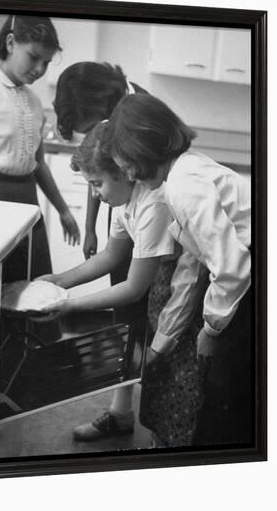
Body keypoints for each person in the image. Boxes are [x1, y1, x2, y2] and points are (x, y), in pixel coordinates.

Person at [106, 93, 252, 446]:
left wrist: (212, 329)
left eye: (123, 160)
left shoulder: (184, 184)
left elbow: (231, 267)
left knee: (229, 392)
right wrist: (167, 337)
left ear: (143, 145)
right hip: (244, 274)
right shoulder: (184, 171)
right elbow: (194, 260)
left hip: (250, 277)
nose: (124, 172)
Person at [38, 122, 176, 441]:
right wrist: (60, 281)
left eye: (96, 183)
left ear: (125, 172)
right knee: (149, 358)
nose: (94, 194)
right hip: (164, 282)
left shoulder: (153, 203)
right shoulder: (123, 199)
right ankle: (127, 420)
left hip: (199, 285)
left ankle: (168, 448)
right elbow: (111, 256)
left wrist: (67, 305)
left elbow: (133, 288)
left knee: (167, 369)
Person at [52, 63, 150, 440]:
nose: (92, 128)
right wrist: (92, 225)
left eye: (90, 121)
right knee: (126, 316)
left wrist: (72, 303)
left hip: (150, 222)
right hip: (124, 214)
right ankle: (121, 411)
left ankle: (134, 413)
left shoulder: (139, 111)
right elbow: (99, 174)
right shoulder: (108, 122)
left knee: (142, 313)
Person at [0, 15, 80, 285]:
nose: (40, 68)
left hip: (27, 201)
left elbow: (38, 163)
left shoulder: (34, 101)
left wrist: (63, 210)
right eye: (34, 57)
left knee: (31, 285)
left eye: (47, 62)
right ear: (11, 43)